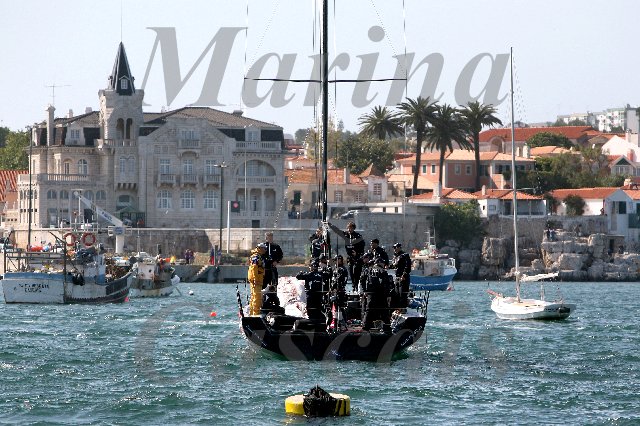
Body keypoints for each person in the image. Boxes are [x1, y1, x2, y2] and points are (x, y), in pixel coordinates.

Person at [328, 221, 365, 289]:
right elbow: (337, 231)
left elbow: (362, 246)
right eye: (348, 228)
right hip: (350, 257)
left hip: (357, 257)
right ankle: (354, 286)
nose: (349, 230)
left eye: (350, 228)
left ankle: (357, 286)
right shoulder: (346, 235)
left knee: (356, 272)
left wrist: (357, 253)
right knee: (351, 272)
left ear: (353, 228)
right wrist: (330, 225)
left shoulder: (358, 236)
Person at [361, 257, 392, 330]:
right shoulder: (383, 271)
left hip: (371, 294)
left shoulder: (368, 270)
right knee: (384, 311)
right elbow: (387, 284)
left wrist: (365, 290)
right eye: (383, 263)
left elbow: (362, 279)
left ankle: (365, 327)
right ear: (380, 263)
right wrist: (388, 295)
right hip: (381, 294)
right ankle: (387, 328)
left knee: (369, 311)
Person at [390, 243, 411, 309]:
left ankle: (403, 308)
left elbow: (408, 266)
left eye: (395, 247)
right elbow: (394, 265)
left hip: (403, 277)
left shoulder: (405, 255)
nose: (394, 249)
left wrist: (404, 275)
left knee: (403, 293)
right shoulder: (395, 256)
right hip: (397, 277)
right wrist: (388, 266)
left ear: (399, 248)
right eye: (394, 248)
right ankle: (398, 308)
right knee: (397, 293)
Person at [247, 243, 267, 316]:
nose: (265, 250)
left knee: (254, 296)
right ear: (260, 249)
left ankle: (252, 313)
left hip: (258, 279)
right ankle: (255, 314)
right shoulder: (256, 257)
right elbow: (254, 268)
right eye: (264, 248)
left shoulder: (258, 256)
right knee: (257, 297)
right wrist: (255, 278)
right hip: (256, 279)